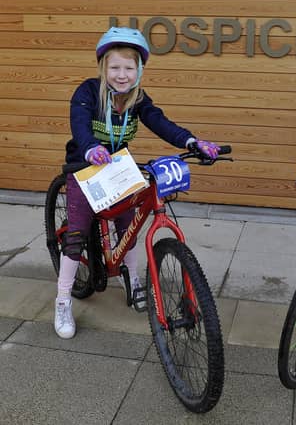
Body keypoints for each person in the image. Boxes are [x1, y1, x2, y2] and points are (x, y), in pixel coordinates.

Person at [54, 26, 221, 339]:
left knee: (129, 226)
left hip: (118, 169)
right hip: (85, 168)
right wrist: (90, 147)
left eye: (128, 68)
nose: (121, 75)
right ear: (103, 67)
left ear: (139, 70)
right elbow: (79, 124)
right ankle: (63, 300)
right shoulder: (88, 92)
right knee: (76, 235)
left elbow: (160, 122)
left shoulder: (138, 98)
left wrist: (192, 141)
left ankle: (131, 277)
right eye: (114, 67)